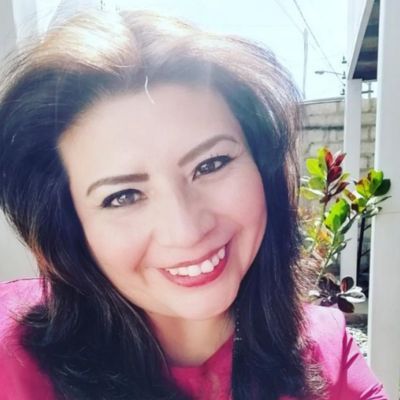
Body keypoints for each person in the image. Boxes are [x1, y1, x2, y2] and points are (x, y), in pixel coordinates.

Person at [0, 9, 387, 400]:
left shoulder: (326, 352)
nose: (186, 230)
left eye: (211, 164)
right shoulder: (10, 359)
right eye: (123, 196)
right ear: (69, 227)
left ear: (263, 168)